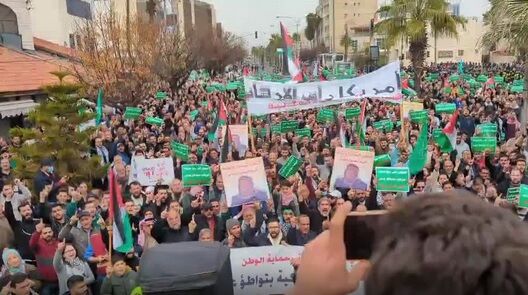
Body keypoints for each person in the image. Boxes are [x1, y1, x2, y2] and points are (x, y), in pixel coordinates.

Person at [28, 220, 58, 295]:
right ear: (41, 235)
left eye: (49, 232)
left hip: (60, 280)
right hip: (46, 282)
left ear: (52, 232)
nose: (48, 234)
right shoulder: (37, 245)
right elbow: (32, 243)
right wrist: (37, 231)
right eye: (45, 233)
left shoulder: (58, 243)